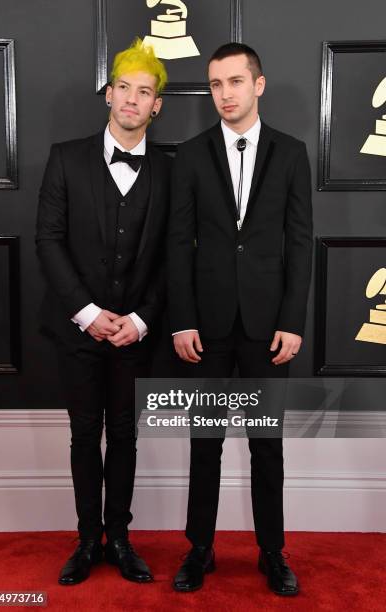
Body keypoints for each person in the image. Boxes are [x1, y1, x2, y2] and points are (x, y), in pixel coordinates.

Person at [168, 42, 313, 595]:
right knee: (205, 439)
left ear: (258, 84)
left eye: (234, 82)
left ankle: (272, 552)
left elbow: (300, 244)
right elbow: (179, 244)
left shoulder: (292, 152)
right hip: (205, 324)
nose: (223, 94)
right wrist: (182, 321)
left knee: (266, 441)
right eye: (214, 84)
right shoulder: (191, 153)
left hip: (267, 324)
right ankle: (199, 549)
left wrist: (293, 320)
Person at [36, 38, 171, 586]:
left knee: (126, 434)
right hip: (78, 329)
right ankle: (88, 540)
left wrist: (139, 319)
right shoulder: (65, 158)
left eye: (145, 93)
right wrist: (88, 313)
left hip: (137, 332)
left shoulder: (169, 169)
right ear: (108, 94)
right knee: (83, 433)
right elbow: (48, 241)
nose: (132, 100)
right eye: (124, 89)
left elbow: (173, 256)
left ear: (156, 104)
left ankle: (120, 537)